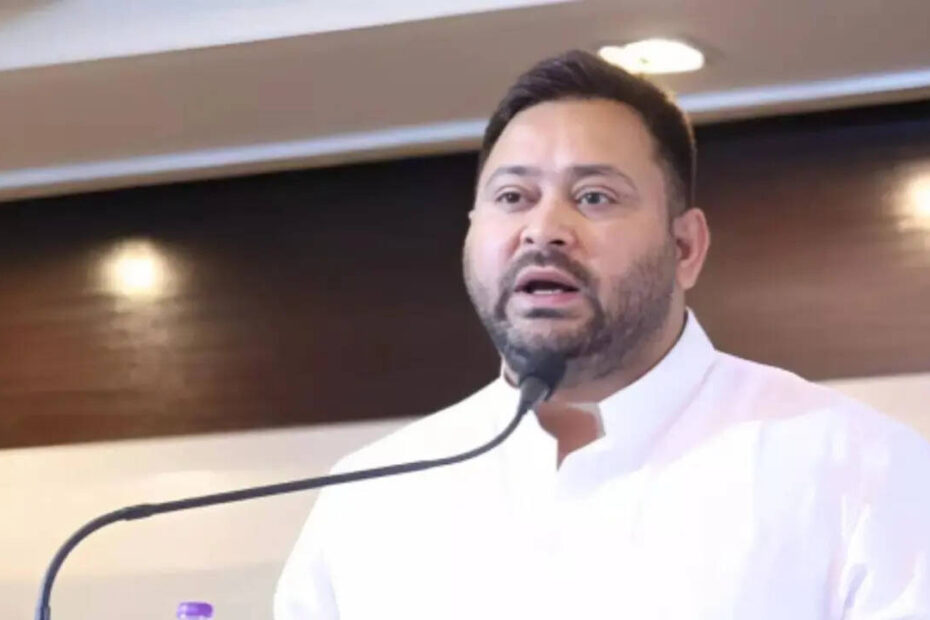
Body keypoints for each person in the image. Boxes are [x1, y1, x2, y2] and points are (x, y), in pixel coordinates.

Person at [275, 50, 930, 619]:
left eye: (594, 197)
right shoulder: (370, 497)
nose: (543, 230)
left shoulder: (861, 469)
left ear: (685, 247)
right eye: (513, 197)